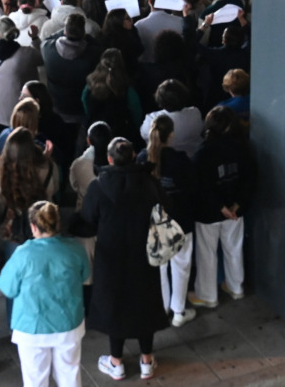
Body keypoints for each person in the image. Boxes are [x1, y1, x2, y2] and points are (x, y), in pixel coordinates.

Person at [81, 138, 168, 380]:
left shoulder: (99, 186)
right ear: (133, 157)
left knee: (114, 303)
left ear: (109, 159)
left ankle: (116, 362)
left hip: (111, 255)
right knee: (145, 301)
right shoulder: (150, 183)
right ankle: (147, 360)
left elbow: (87, 219)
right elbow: (165, 208)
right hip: (144, 253)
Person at [0, 198, 88, 387]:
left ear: (33, 227)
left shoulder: (22, 254)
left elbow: (8, 288)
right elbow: (85, 276)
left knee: (35, 379)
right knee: (70, 374)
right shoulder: (75, 249)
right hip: (68, 322)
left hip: (32, 326)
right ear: (58, 223)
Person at [189, 107, 255, 312]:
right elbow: (250, 179)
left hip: (208, 213)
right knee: (234, 248)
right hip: (236, 210)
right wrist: (237, 205)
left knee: (206, 253)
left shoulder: (203, 152)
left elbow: (201, 186)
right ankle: (236, 287)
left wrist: (220, 207)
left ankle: (208, 296)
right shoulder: (243, 147)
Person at [139, 115, 198, 327]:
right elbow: (192, 189)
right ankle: (179, 311)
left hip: (155, 222)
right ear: (171, 135)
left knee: (160, 267)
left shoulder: (142, 159)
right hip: (181, 219)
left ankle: (162, 308)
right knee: (181, 266)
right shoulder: (181, 159)